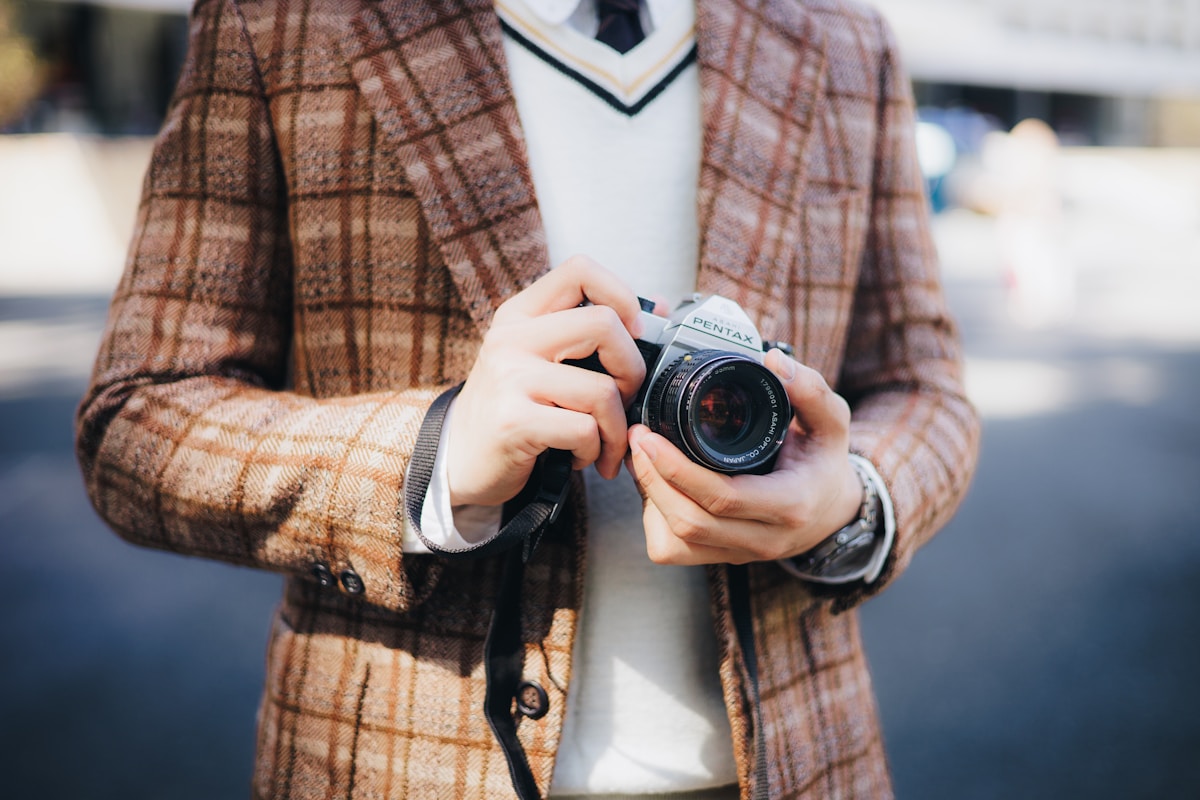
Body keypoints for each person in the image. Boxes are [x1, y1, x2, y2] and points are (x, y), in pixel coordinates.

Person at [75, 0, 979, 798]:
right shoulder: (282, 19)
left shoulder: (844, 38)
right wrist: (433, 456)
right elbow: (136, 418)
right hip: (399, 767)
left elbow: (925, 386)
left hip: (798, 762)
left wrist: (849, 504)